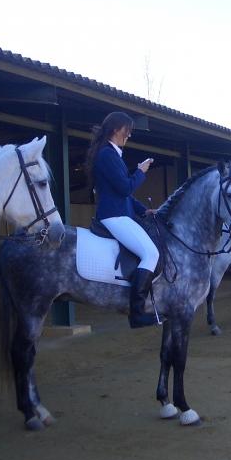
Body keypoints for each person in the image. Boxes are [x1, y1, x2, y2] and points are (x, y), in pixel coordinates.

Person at [85, 111, 160, 328]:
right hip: (114, 216)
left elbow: (124, 193)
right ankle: (136, 313)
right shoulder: (107, 155)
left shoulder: (112, 154)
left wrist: (144, 210)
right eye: (128, 131)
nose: (130, 136)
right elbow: (126, 186)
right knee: (151, 253)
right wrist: (140, 171)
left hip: (121, 212)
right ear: (117, 129)